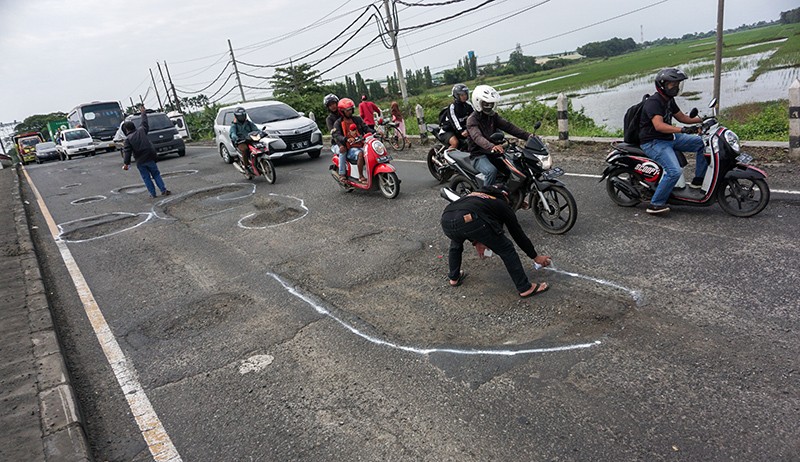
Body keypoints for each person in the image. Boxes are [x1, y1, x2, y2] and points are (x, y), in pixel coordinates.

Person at [441, 184, 551, 297]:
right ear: (504, 195)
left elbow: (465, 223)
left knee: (456, 243)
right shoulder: (500, 202)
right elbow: (518, 234)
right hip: (471, 219)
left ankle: (454, 277)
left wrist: (477, 240)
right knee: (506, 249)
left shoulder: (474, 196)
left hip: (446, 220)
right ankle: (525, 288)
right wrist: (535, 257)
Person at [639, 68, 706, 215]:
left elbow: (683, 118)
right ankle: (655, 204)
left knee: (702, 144)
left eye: (677, 84)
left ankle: (698, 181)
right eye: (672, 84)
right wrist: (682, 130)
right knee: (674, 171)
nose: (675, 87)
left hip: (669, 138)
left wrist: (704, 120)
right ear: (662, 85)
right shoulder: (654, 102)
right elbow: (659, 126)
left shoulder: (669, 100)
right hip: (654, 142)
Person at [466, 84, 532, 187]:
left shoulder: (493, 116)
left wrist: (529, 136)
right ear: (478, 102)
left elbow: (509, 127)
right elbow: (477, 137)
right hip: (478, 155)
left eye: (491, 103)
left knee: (516, 169)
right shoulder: (472, 120)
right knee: (491, 171)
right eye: (486, 103)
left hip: (494, 153)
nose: (489, 106)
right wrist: (492, 146)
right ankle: (485, 197)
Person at [122, 106, 171, 198]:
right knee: (156, 174)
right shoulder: (142, 131)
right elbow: (144, 122)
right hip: (150, 157)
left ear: (126, 130)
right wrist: (143, 113)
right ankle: (163, 190)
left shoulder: (128, 139)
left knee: (146, 178)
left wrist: (126, 164)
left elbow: (127, 152)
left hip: (140, 161)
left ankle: (152, 194)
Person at [332, 98, 372, 183]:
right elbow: (337, 135)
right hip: (349, 147)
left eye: (351, 109)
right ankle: (360, 176)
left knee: (371, 152)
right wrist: (346, 139)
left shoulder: (357, 119)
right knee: (360, 154)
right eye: (347, 110)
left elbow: (366, 128)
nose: (350, 112)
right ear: (342, 111)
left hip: (361, 144)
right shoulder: (338, 123)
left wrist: (375, 132)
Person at [438, 83, 473, 150]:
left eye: (465, 94)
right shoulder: (452, 107)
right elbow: (455, 121)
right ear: (456, 96)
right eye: (462, 95)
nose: (464, 96)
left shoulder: (468, 105)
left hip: (461, 130)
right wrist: (461, 131)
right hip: (448, 130)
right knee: (455, 143)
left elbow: (475, 116)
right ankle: (447, 159)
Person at [229, 107, 259, 173]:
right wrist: (235, 137)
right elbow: (232, 133)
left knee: (259, 147)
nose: (242, 117)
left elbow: (256, 129)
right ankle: (246, 166)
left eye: (243, 115)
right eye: (240, 116)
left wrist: (260, 132)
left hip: (250, 139)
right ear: (236, 116)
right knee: (245, 149)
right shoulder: (234, 125)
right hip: (241, 141)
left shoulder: (248, 123)